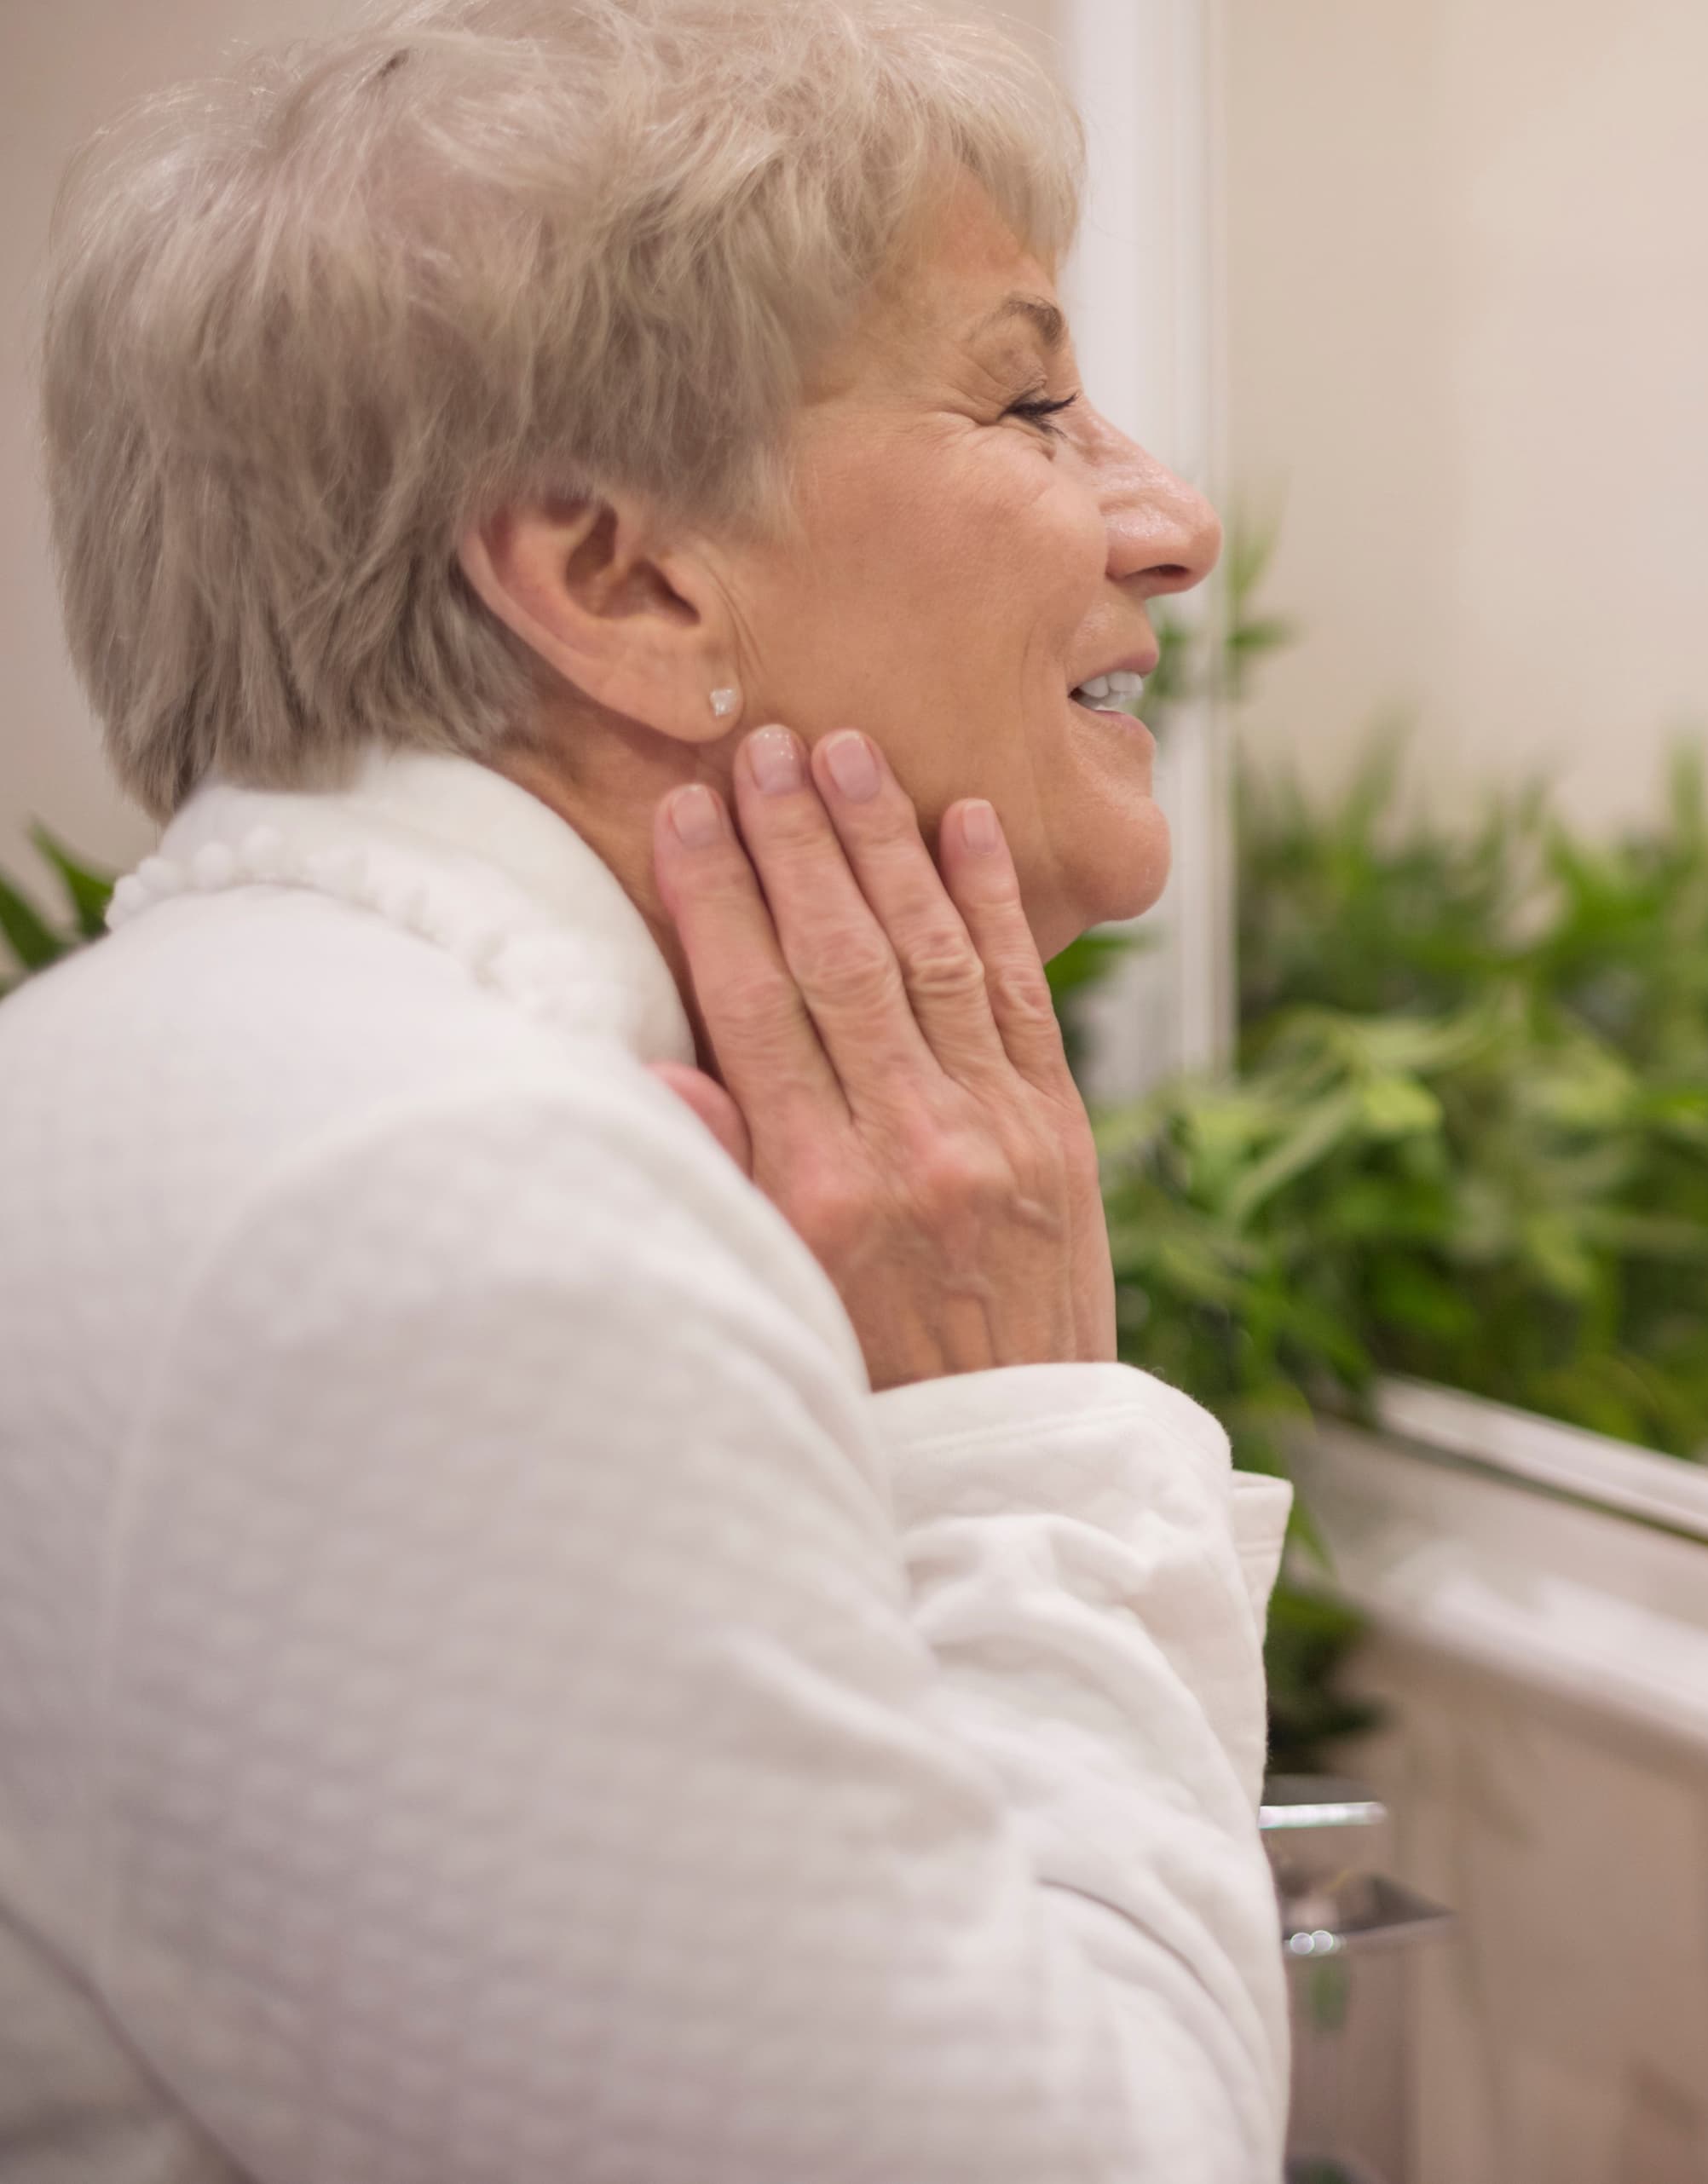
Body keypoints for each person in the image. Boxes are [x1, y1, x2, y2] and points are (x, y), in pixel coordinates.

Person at [0, 1, 1294, 2175]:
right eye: (1031, 394)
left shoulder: (222, 1076)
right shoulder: (455, 1216)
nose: (1169, 524)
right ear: (622, 577)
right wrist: (1019, 1443)